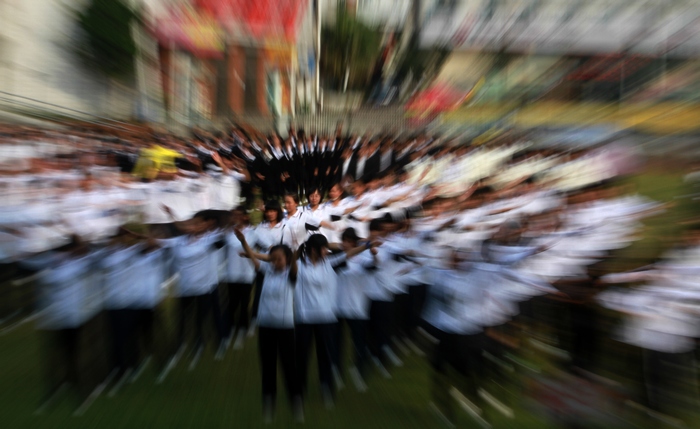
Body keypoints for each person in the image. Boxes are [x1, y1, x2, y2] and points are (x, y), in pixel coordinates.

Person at [234, 228, 303, 423]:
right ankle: (268, 402)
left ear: (287, 260)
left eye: (279, 259)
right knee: (268, 366)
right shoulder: (266, 272)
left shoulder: (291, 274)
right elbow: (254, 258)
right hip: (265, 327)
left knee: (289, 367)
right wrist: (243, 242)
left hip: (285, 328)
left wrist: (294, 250)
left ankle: (296, 401)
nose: (274, 262)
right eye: (272, 259)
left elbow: (294, 265)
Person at [294, 233, 371, 408]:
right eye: (323, 248)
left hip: (326, 319)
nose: (326, 251)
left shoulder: (330, 263)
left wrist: (367, 245)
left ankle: (326, 388)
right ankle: (299, 391)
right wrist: (299, 248)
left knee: (326, 356)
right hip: (304, 318)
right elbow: (286, 260)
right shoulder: (298, 265)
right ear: (314, 250)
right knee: (302, 356)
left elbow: (349, 253)